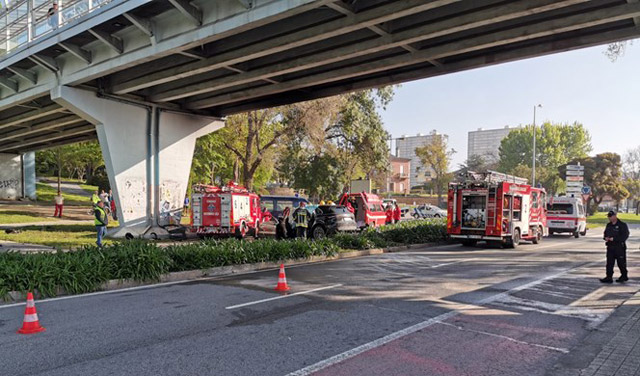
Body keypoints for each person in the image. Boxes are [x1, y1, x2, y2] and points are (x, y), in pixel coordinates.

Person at [600, 211, 630, 283]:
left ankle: (624, 275)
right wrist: (606, 238)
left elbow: (624, 236)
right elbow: (605, 234)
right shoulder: (609, 225)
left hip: (619, 247)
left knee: (621, 263)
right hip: (610, 247)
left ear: (615, 216)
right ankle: (609, 277)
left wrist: (614, 239)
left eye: (611, 216)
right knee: (609, 263)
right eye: (609, 217)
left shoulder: (622, 225)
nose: (609, 218)